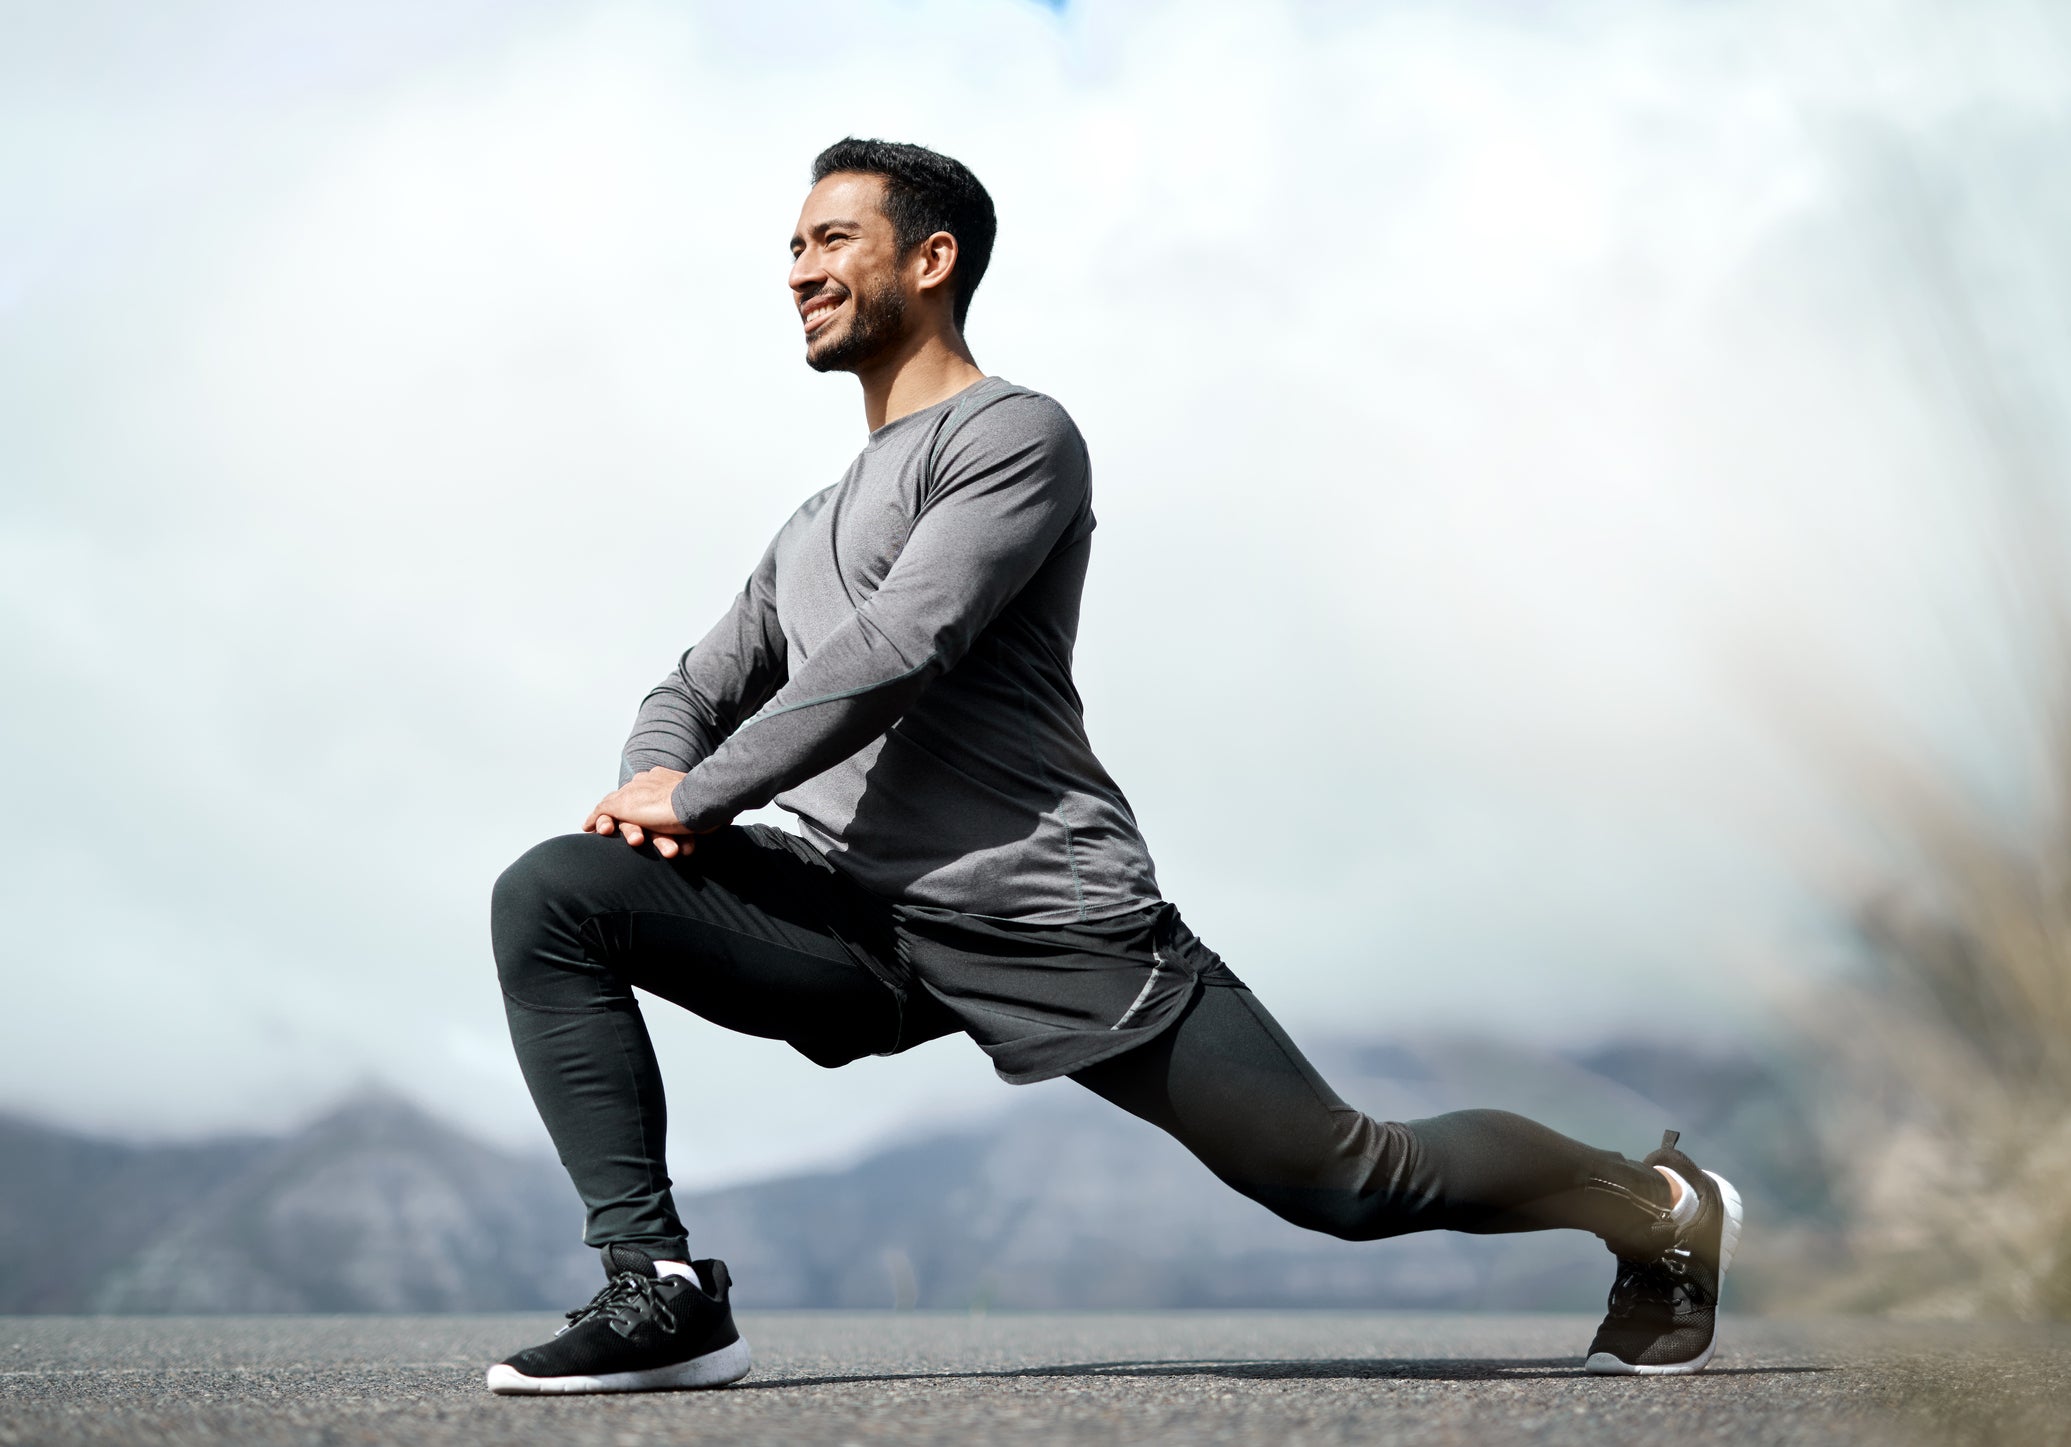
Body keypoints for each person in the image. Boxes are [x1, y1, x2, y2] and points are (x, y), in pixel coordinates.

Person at [484, 137, 1742, 1396]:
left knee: (1349, 1180)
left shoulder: (1012, 436)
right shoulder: (808, 525)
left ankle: (1659, 1205)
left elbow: (904, 642)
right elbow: (692, 687)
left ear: (931, 259)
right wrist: (656, 796)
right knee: (556, 893)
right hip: (858, 924)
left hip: (1041, 911)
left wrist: (703, 794)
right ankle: (659, 1288)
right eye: (794, 247)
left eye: (832, 240)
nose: (800, 271)